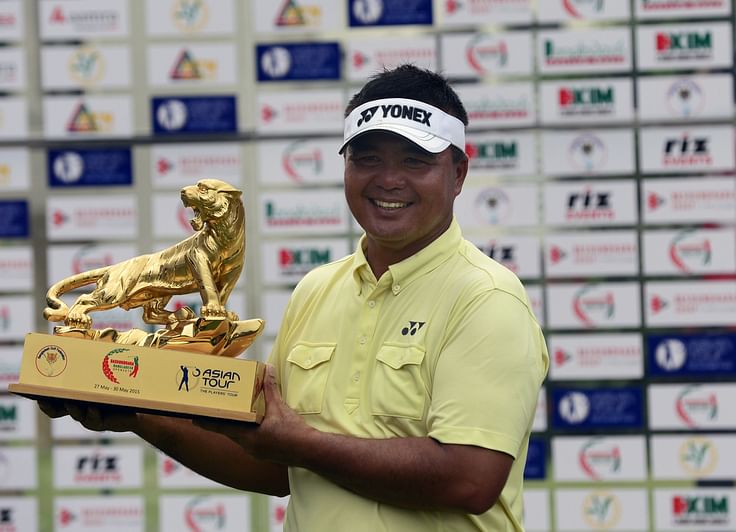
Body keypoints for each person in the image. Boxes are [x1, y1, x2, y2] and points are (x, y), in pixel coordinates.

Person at [39, 64, 549, 531]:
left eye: (415, 161)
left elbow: (469, 479)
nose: (388, 180)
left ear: (458, 174)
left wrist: (300, 444)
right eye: (367, 158)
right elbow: (281, 466)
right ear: (346, 166)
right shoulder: (316, 290)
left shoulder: (486, 299)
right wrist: (140, 413)